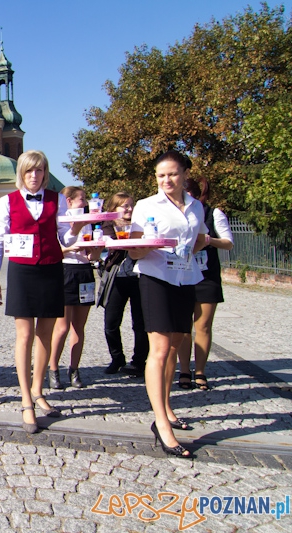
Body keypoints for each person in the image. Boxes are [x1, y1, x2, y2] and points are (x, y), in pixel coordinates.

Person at [0, 150, 78, 433]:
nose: (34, 175)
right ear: (22, 174)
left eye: (39, 170)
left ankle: (39, 391)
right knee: (25, 335)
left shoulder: (58, 199)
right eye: (29, 171)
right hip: (21, 271)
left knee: (45, 335)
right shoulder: (8, 201)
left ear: (45, 173)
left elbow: (65, 237)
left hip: (51, 268)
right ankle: (26, 399)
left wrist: (80, 228)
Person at [128, 150, 208, 458]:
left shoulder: (196, 206)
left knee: (175, 345)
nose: (166, 180)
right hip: (155, 277)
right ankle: (161, 423)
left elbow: (200, 238)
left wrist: (191, 250)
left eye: (172, 174)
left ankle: (168, 407)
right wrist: (145, 247)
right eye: (161, 175)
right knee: (159, 349)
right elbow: (134, 250)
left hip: (185, 278)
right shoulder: (147, 206)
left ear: (185, 173)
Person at [178, 178, 233, 391]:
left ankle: (200, 371)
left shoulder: (213, 213)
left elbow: (228, 243)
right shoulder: (175, 216)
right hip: (181, 275)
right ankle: (184, 370)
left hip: (206, 276)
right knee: (183, 327)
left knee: (203, 326)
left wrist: (208, 240)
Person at [47, 187, 102, 390]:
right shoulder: (60, 219)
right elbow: (54, 248)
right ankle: (53, 369)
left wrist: (96, 251)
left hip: (85, 272)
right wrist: (71, 248)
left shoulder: (87, 222)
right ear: (69, 201)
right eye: (82, 199)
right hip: (65, 271)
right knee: (62, 327)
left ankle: (74, 368)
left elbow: (91, 257)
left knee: (79, 327)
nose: (85, 203)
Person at [99, 192, 148, 377]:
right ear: (114, 209)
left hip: (139, 276)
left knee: (140, 323)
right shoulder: (108, 225)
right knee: (111, 322)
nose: (129, 209)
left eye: (130, 205)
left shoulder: (141, 224)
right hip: (117, 277)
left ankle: (139, 361)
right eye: (124, 205)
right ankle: (117, 357)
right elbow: (110, 242)